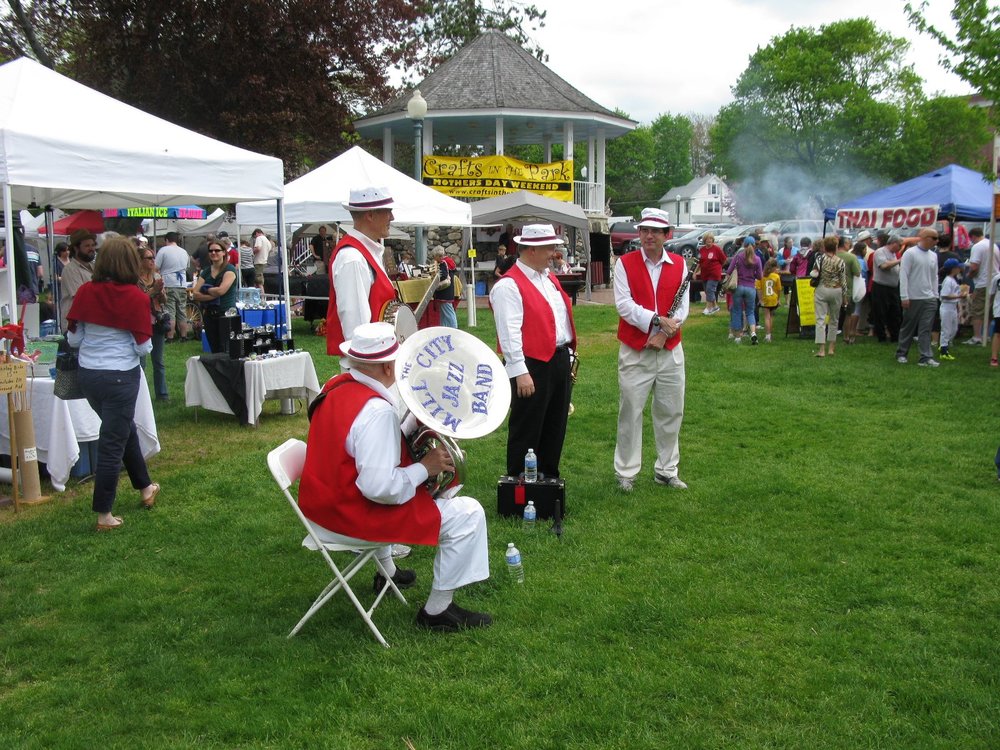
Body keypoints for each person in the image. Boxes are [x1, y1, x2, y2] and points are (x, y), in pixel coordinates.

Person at [298, 322, 491, 632]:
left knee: (424, 491)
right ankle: (437, 611)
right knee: (468, 513)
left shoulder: (335, 384)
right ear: (388, 367)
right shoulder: (377, 411)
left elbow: (359, 448)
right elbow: (379, 488)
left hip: (321, 505)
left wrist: (409, 428)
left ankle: (386, 573)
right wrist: (425, 468)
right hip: (349, 517)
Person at [66, 235, 160, 530]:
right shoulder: (136, 298)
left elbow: (74, 338)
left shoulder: (84, 292)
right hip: (121, 375)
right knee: (112, 442)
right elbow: (143, 347)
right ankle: (104, 513)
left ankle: (145, 487)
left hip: (90, 376)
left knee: (122, 428)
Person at [490, 224, 576, 480]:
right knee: (527, 427)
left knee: (555, 424)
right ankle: (520, 482)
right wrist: (520, 371)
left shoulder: (547, 278)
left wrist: (568, 357)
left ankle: (548, 479)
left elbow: (558, 321)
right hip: (533, 364)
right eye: (549, 247)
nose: (553, 253)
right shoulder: (509, 286)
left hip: (557, 358)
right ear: (532, 249)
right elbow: (509, 333)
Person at [612, 207, 689, 492]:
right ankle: (626, 472)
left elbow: (683, 308)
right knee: (630, 410)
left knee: (671, 410)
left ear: (666, 235)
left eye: (655, 231)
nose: (648, 236)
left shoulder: (680, 264)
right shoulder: (625, 263)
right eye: (644, 230)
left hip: (670, 350)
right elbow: (624, 305)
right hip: (636, 349)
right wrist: (656, 323)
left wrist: (665, 333)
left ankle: (667, 470)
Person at [325, 187, 402, 370]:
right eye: (388, 211)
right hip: (369, 368)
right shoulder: (353, 258)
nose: (392, 218)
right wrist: (372, 370)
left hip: (377, 365)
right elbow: (356, 329)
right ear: (370, 215)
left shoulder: (363, 253)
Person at [896, 228, 941, 367]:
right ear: (926, 238)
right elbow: (904, 275)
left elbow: (934, 276)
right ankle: (902, 353)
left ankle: (926, 356)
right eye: (934, 238)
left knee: (925, 328)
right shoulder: (910, 254)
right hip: (913, 297)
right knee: (908, 327)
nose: (936, 241)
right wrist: (904, 296)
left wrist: (935, 294)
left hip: (929, 298)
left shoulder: (933, 256)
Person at [192, 239, 238, 353]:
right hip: (209, 315)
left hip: (226, 314)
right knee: (215, 349)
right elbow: (195, 294)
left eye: (217, 250)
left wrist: (206, 289)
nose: (213, 253)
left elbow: (221, 291)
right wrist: (213, 295)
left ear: (223, 252)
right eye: (211, 251)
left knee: (226, 350)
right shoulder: (206, 271)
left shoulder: (230, 270)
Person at [137, 243, 169, 400]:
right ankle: (141, 396)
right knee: (141, 362)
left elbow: (164, 300)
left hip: (157, 320)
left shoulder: (156, 277)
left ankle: (162, 394)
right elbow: (137, 299)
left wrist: (161, 292)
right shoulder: (134, 279)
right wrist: (154, 290)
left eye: (153, 258)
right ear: (140, 260)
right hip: (141, 321)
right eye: (148, 258)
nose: (152, 261)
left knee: (159, 361)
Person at [811, 236, 848, 358]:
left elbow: (814, 273)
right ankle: (831, 348)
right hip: (836, 290)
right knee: (834, 319)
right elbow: (843, 280)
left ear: (825, 247)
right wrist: (845, 295)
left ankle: (821, 349)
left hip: (822, 289)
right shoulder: (840, 261)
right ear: (836, 247)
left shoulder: (820, 258)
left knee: (820, 319)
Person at [724, 236, 763, 344]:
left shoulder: (738, 257)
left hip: (739, 287)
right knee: (750, 312)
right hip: (751, 288)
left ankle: (737, 337)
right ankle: (753, 333)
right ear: (754, 246)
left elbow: (729, 271)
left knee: (737, 311)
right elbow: (760, 276)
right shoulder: (757, 259)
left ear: (744, 245)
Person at [155, 231, 191, 343]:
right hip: (182, 284)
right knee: (181, 310)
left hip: (168, 283)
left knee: (170, 310)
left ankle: (170, 336)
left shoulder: (163, 251)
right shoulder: (184, 252)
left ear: (167, 240)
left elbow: (156, 267)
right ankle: (184, 336)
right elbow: (187, 267)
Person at [966, 228, 1000, 345]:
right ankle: (987, 336)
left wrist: (969, 275)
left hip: (983, 282)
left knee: (977, 310)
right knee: (989, 311)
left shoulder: (977, 246)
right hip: (994, 281)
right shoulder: (993, 245)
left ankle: (977, 337)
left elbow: (974, 266)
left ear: (973, 237)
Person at [60, 229, 97, 332]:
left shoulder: (94, 267)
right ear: (76, 248)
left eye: (93, 245)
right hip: (74, 327)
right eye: (87, 246)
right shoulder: (70, 269)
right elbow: (80, 296)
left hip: (88, 324)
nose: (92, 249)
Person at [871, 234, 903, 343]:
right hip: (881, 286)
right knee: (880, 312)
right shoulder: (880, 252)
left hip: (893, 287)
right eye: (899, 245)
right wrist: (900, 260)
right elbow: (884, 266)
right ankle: (881, 337)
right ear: (893, 243)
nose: (900, 247)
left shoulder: (894, 254)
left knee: (895, 312)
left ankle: (895, 336)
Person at [938, 258, 966, 361]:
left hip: (953, 307)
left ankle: (944, 345)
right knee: (946, 329)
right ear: (953, 269)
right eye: (958, 267)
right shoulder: (948, 281)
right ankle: (943, 351)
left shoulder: (953, 279)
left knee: (954, 329)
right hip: (947, 307)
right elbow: (945, 295)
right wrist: (959, 296)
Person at [698, 232, 725, 315]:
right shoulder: (702, 250)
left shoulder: (716, 249)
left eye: (710, 239)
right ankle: (715, 306)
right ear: (704, 240)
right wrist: (696, 272)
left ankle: (708, 308)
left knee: (710, 290)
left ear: (713, 240)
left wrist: (718, 268)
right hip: (705, 273)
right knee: (707, 291)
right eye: (707, 239)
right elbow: (699, 262)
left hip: (714, 273)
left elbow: (723, 260)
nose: (709, 240)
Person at [756, 258, 782, 343]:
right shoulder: (776, 276)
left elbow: (758, 289)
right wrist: (778, 299)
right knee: (771, 317)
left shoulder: (761, 276)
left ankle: (767, 336)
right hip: (773, 298)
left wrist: (760, 299)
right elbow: (779, 289)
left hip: (765, 298)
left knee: (766, 317)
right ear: (774, 268)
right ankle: (770, 334)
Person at [431, 247, 458, 328]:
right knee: (444, 313)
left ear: (437, 256)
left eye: (434, 256)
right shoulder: (448, 261)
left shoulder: (443, 263)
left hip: (445, 292)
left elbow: (443, 276)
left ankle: (454, 329)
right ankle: (444, 328)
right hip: (447, 291)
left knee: (449, 313)